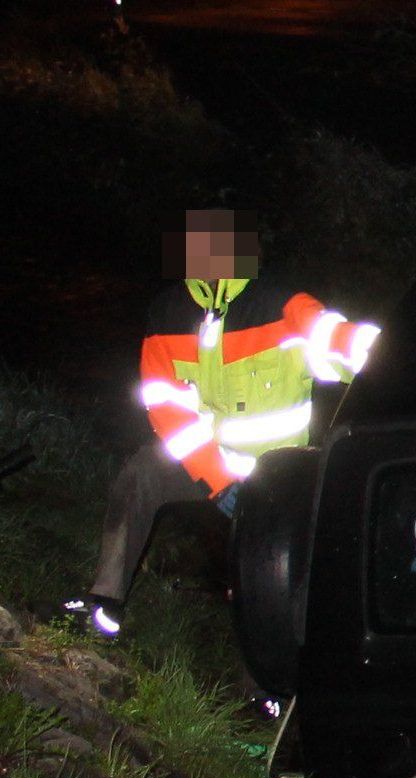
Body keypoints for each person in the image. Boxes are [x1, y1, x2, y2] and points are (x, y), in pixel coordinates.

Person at [63, 207, 380, 639]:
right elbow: (167, 410)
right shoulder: (166, 314)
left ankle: (268, 685)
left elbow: (336, 339)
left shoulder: (280, 305)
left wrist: (389, 350)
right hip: (208, 468)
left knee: (265, 574)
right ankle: (103, 605)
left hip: (278, 475)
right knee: (141, 474)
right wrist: (218, 481)